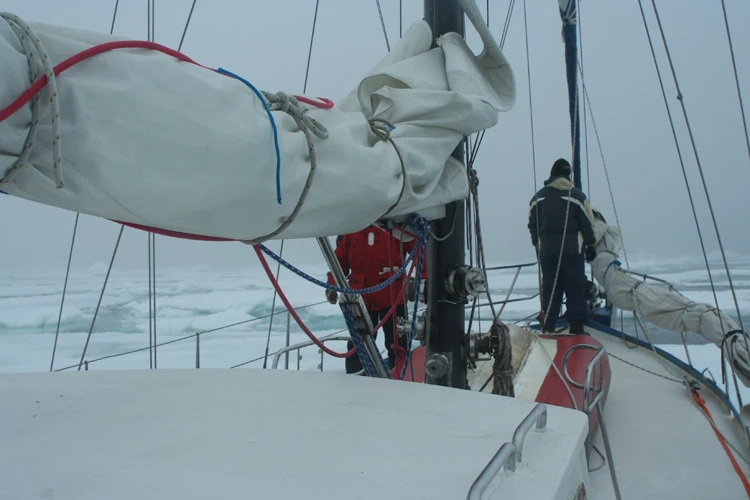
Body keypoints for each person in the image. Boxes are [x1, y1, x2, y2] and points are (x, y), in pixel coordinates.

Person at [325, 225, 422, 374]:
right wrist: (332, 285)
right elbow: (340, 261)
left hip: (392, 299)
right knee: (358, 347)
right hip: (361, 300)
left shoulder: (396, 228)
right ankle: (355, 383)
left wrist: (427, 279)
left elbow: (419, 252)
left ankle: (400, 382)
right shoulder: (351, 230)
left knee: (397, 346)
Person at [528, 158, 596, 334]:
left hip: (548, 254)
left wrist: (537, 244)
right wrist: (591, 245)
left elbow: (532, 225)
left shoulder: (538, 198)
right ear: (568, 176)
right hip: (572, 252)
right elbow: (588, 224)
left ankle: (548, 326)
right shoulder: (577, 196)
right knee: (575, 288)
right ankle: (576, 328)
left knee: (551, 289)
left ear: (552, 175)